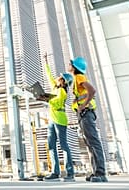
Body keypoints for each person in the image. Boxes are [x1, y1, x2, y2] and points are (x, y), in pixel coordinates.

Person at [69, 56, 108, 183]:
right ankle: (96, 171)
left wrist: (82, 106)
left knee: (94, 142)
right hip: (84, 114)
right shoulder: (76, 79)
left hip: (86, 113)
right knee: (90, 144)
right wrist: (77, 101)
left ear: (75, 68)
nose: (69, 65)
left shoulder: (79, 77)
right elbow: (84, 93)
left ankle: (101, 173)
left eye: (71, 64)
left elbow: (92, 90)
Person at [43, 54, 75, 182]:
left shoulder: (62, 92)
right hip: (52, 119)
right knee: (51, 145)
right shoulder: (54, 87)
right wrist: (46, 62)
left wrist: (46, 99)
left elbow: (55, 103)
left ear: (63, 81)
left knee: (63, 145)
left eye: (59, 77)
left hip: (60, 120)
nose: (57, 78)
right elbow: (49, 76)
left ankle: (70, 172)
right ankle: (55, 172)